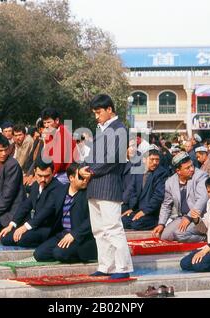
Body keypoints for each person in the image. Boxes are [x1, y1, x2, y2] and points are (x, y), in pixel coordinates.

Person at [78, 94, 133, 280]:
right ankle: (106, 266)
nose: (96, 116)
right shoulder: (101, 129)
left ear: (109, 109)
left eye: (98, 112)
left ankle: (123, 267)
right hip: (94, 186)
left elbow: (112, 159)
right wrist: (82, 169)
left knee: (113, 228)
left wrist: (90, 171)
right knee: (99, 230)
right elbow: (92, 156)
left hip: (109, 185)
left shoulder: (120, 129)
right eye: (94, 113)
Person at [33, 163, 97, 263]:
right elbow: (47, 210)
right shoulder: (61, 190)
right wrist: (27, 226)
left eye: (86, 177)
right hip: (62, 234)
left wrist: (74, 235)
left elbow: (92, 218)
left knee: (59, 254)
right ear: (71, 178)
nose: (85, 180)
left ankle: (84, 254)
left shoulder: (89, 193)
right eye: (81, 177)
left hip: (80, 236)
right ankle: (63, 251)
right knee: (39, 254)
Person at [0, 159, 62, 247]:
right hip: (35, 225)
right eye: (40, 176)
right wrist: (12, 224)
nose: (43, 179)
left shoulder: (58, 188)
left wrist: (25, 227)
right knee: (5, 238)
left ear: (53, 173)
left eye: (47, 176)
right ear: (35, 172)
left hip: (49, 228)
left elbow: (46, 212)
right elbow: (25, 206)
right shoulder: (36, 185)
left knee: (21, 239)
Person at [153, 152, 208, 242]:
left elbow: (202, 199)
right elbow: (166, 204)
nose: (192, 169)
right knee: (164, 236)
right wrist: (161, 223)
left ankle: (205, 237)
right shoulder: (170, 182)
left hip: (199, 218)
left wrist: (189, 217)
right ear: (178, 171)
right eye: (187, 168)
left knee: (179, 234)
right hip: (182, 217)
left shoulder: (201, 176)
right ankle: (189, 235)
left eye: (192, 166)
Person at [121, 149, 168, 231]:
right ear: (144, 160)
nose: (155, 162)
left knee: (136, 224)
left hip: (152, 212)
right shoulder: (139, 172)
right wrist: (132, 209)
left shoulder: (161, 173)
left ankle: (157, 222)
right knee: (122, 221)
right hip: (138, 209)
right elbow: (133, 192)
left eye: (157, 160)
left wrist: (145, 211)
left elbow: (158, 196)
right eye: (152, 159)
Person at [41, 108, 76, 184]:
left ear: (57, 121)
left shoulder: (63, 132)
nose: (46, 126)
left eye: (48, 122)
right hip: (55, 170)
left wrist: (50, 175)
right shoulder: (50, 133)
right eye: (44, 123)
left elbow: (59, 160)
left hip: (65, 173)